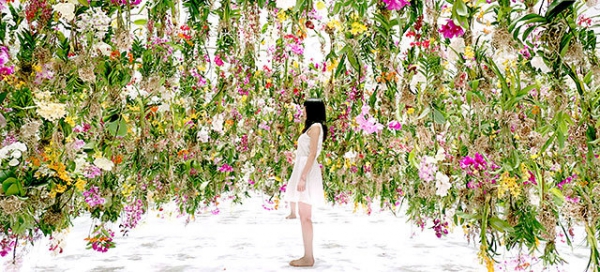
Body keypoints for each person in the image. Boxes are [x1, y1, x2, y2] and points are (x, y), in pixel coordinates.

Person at [283, 98, 328, 267]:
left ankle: (308, 257)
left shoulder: (316, 127)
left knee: (306, 217)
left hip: (306, 170)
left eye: (305, 109)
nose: (303, 112)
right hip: (303, 168)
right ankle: (307, 255)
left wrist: (303, 177)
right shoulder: (312, 127)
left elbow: (312, 154)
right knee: (304, 216)